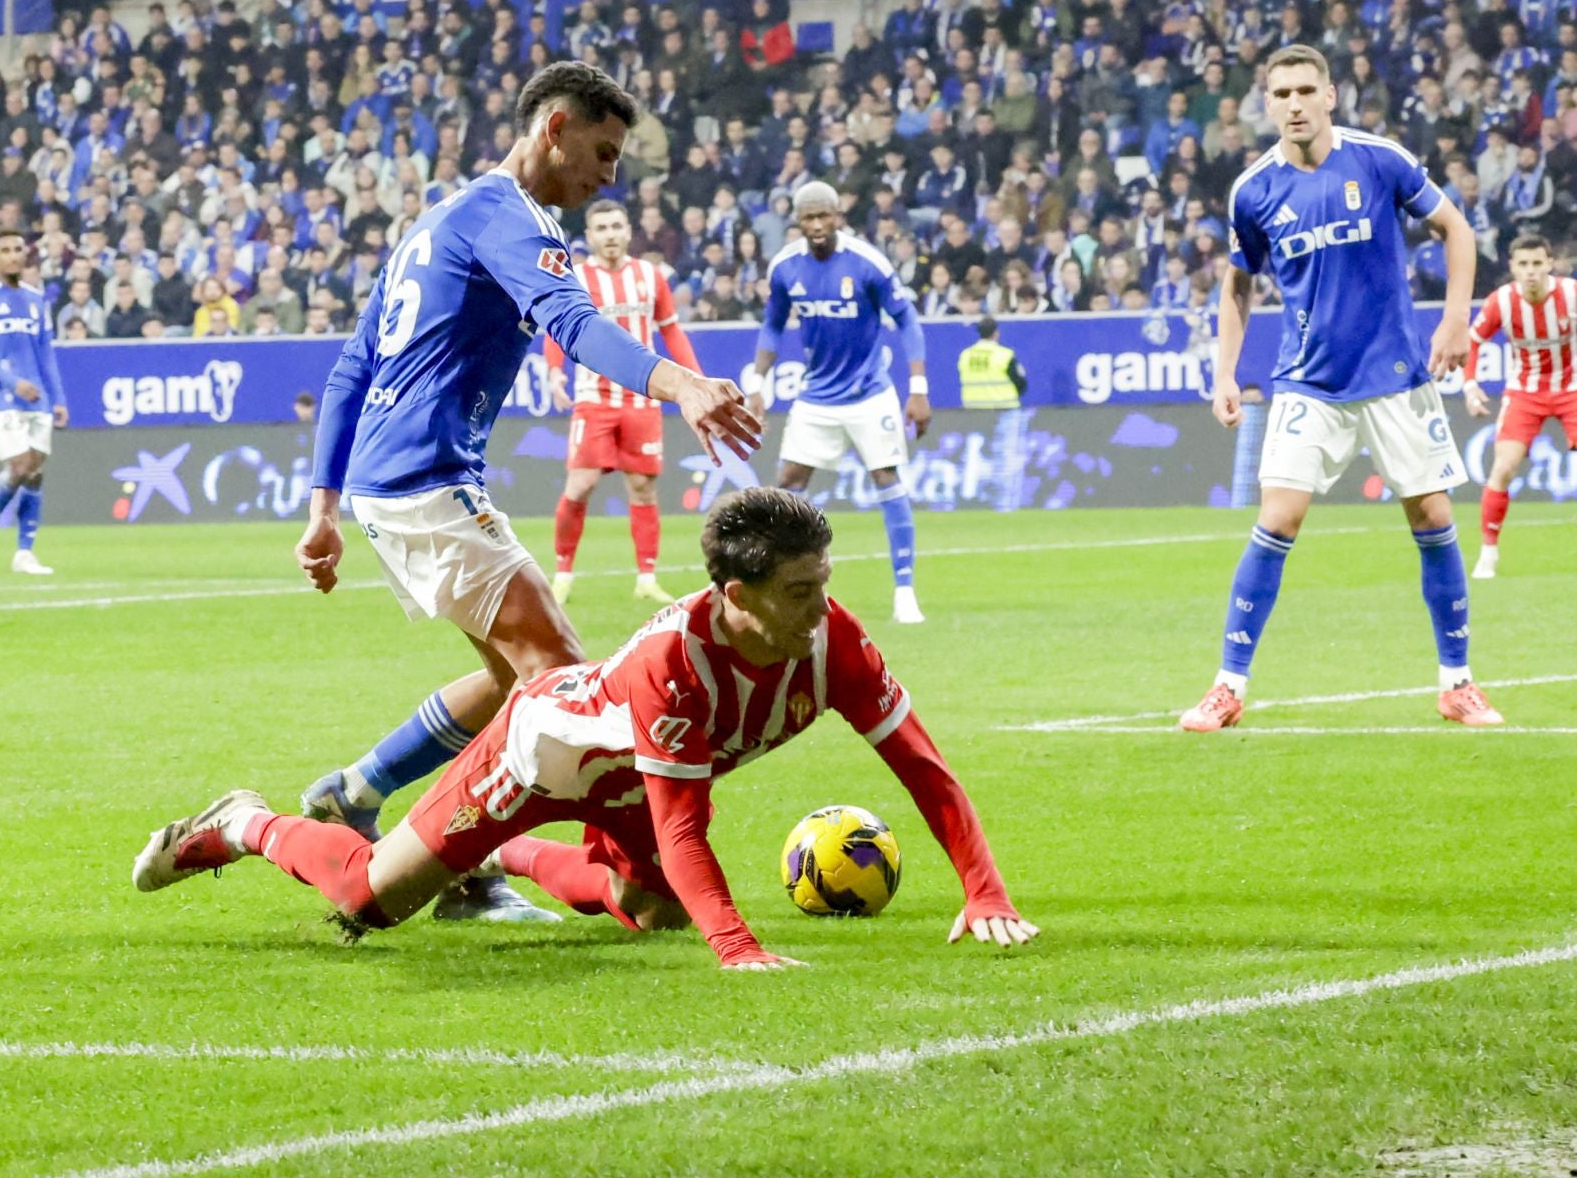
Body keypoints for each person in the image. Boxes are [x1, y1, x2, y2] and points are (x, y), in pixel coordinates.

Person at [134, 489, 1038, 967]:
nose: (822, 606)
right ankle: (242, 821)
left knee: (654, 910)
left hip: (637, 779)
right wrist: (741, 950)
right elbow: (682, 825)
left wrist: (985, 891)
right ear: (736, 598)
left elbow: (923, 766)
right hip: (539, 757)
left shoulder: (831, 641)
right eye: (800, 590)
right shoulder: (676, 666)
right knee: (370, 901)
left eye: (823, 581)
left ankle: (504, 861)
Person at [293, 61, 761, 921]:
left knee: (517, 686)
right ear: (554, 126)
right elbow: (577, 326)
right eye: (604, 151)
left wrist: (324, 507)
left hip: (394, 480)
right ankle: (563, 873)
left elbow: (353, 366)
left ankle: (360, 792)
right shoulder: (511, 219)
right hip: (424, 478)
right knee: (564, 686)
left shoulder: (442, 219)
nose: (609, 175)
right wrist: (683, 385)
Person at [1181, 44, 1502, 732]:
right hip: (1309, 381)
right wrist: (1225, 372)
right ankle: (1227, 686)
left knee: (1434, 519)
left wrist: (1456, 321)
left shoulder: (1377, 157)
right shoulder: (1253, 189)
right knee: (1277, 520)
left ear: (1330, 95)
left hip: (1395, 378)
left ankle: (1458, 683)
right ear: (1266, 104)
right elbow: (1238, 283)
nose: (1294, 104)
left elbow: (1456, 230)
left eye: (1305, 90)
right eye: (1281, 93)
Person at [744, 181, 931, 625]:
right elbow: (772, 327)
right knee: (788, 482)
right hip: (816, 395)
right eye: (808, 218)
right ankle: (777, 586)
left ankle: (904, 590)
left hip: (869, 393)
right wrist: (757, 383)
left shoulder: (867, 263)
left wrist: (918, 388)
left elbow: (906, 319)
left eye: (823, 216)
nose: (817, 225)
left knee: (886, 476)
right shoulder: (786, 266)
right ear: (799, 222)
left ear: (838, 215)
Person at [542, 198, 703, 608]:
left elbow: (672, 333)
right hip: (594, 396)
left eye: (616, 227)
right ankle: (562, 573)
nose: (610, 235)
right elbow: (556, 330)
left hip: (642, 397)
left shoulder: (651, 277)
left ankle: (646, 578)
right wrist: (555, 371)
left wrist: (694, 381)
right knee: (581, 483)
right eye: (602, 229)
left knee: (643, 487)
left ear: (628, 231)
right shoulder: (575, 277)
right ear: (590, 236)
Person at [1463, 233, 1576, 579]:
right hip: (1525, 392)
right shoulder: (1503, 301)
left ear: (1550, 264)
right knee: (1504, 467)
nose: (1531, 272)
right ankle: (1488, 554)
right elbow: (1473, 339)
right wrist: (1470, 386)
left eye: (1537, 264)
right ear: (1512, 267)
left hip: (1571, 387)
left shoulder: (1571, 294)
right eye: (1523, 265)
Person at [0, 228, 66, 576]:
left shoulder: (37, 300)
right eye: (5, 250)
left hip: (36, 395)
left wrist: (59, 398)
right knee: (21, 465)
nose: (12, 255)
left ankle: (24, 553)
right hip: (0, 395)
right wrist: (12, 382)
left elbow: (46, 354)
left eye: (17, 249)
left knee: (35, 473)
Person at [956, 315, 1027, 408]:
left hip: (973, 409)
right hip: (1003, 409)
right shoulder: (1005, 355)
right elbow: (1021, 384)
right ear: (996, 333)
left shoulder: (965, 355)